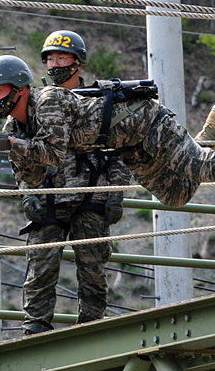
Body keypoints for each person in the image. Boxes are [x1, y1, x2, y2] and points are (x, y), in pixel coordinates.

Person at [0, 55, 215, 209]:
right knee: (176, 195)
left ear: (18, 87)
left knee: (198, 167)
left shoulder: (45, 101)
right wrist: (14, 147)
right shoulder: (14, 127)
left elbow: (52, 154)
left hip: (143, 122)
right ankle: (212, 131)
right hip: (126, 146)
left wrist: (11, 144)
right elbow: (30, 180)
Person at [18, 30, 131, 334]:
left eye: (61, 57)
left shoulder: (101, 102)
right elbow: (19, 154)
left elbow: (120, 150)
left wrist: (115, 193)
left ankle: (91, 332)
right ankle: (35, 333)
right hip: (48, 197)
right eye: (50, 58)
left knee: (93, 271)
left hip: (90, 196)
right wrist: (27, 193)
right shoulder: (33, 103)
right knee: (40, 271)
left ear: (77, 62)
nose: (54, 64)